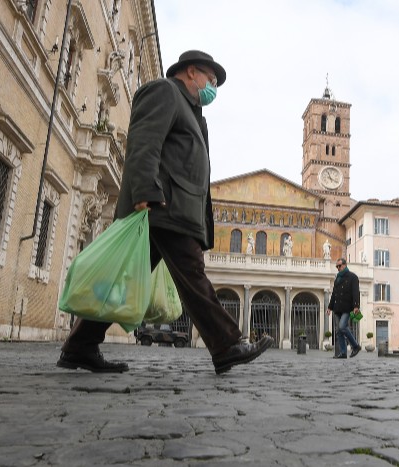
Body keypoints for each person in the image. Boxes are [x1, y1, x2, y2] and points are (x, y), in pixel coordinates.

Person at [57, 50, 273, 375]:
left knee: (120, 280)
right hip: (163, 207)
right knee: (193, 276)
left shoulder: (195, 115)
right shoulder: (164, 91)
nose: (213, 87)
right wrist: (144, 190)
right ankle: (227, 344)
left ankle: (80, 346)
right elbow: (144, 141)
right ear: (190, 72)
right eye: (210, 79)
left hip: (176, 211)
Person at [326, 258, 361, 358]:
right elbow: (334, 294)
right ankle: (343, 352)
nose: (338, 268)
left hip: (347, 307)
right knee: (339, 331)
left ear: (345, 265)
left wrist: (356, 306)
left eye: (339, 266)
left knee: (342, 326)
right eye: (336, 266)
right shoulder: (337, 278)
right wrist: (329, 307)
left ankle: (355, 346)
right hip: (337, 308)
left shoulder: (353, 277)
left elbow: (356, 292)